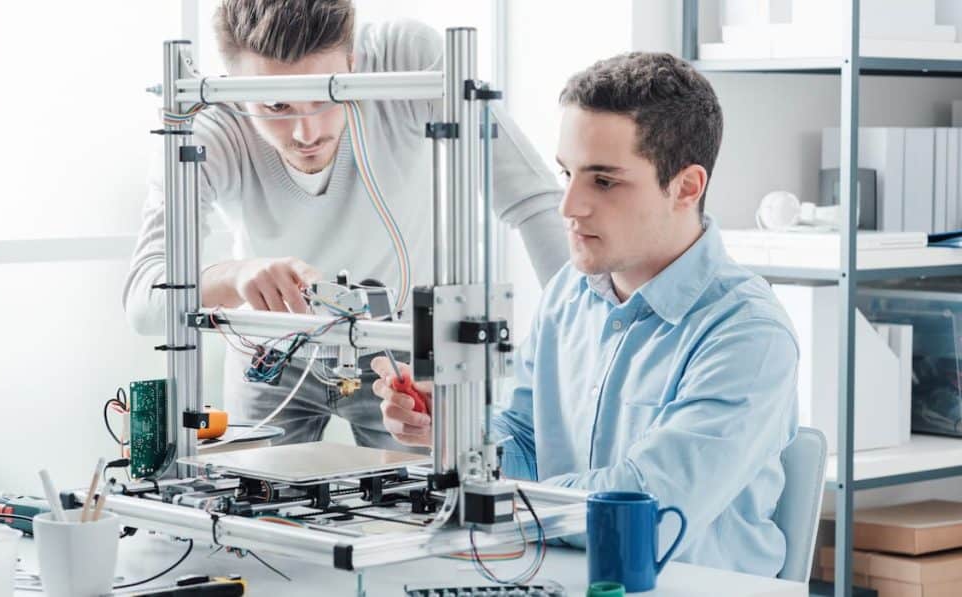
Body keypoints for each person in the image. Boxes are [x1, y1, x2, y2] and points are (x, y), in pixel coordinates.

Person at [373, 52, 799, 575]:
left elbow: (642, 512)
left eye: (603, 181)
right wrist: (458, 431)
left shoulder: (747, 334)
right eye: (566, 173)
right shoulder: (569, 294)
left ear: (686, 187)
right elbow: (526, 439)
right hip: (565, 574)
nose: (568, 206)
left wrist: (501, 495)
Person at [124, 0, 568, 451]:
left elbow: (531, 199)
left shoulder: (404, 60)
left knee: (418, 508)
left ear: (353, 61)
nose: (306, 132)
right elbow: (144, 302)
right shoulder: (207, 128)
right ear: (234, 89)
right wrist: (236, 276)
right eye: (276, 104)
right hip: (272, 352)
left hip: (400, 351)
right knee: (258, 503)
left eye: (326, 96)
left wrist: (574, 340)